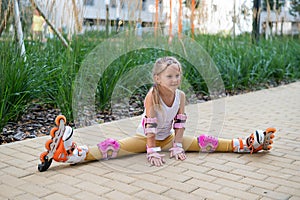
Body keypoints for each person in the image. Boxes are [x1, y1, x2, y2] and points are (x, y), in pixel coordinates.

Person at [38, 56, 276, 171]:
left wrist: (178, 145)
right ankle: (72, 153)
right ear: (157, 78)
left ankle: (244, 144)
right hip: (145, 138)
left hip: (169, 138)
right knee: (112, 148)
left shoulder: (181, 96)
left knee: (205, 142)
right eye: (169, 76)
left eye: (177, 76)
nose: (175, 80)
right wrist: (151, 150)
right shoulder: (151, 96)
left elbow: (180, 123)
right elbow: (150, 127)